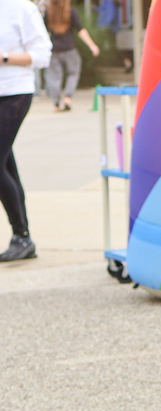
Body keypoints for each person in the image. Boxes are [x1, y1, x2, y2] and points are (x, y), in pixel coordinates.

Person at [1, 0, 52, 262]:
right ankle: (23, 237)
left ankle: (21, 236)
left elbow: (43, 55)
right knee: (6, 166)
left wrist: (4, 57)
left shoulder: (21, 8)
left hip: (15, 92)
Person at [43, 0, 99, 112]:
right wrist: (92, 45)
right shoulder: (71, 12)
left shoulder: (48, 14)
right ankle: (68, 97)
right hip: (69, 49)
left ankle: (56, 103)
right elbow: (80, 30)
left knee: (54, 77)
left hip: (53, 50)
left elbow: (43, 32)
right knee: (73, 73)